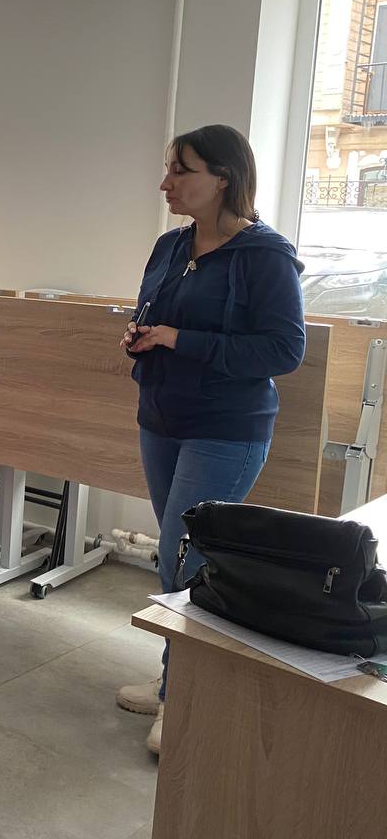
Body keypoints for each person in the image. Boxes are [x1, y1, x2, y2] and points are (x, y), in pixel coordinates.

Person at [117, 124, 305, 756]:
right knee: (177, 562)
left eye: (181, 171)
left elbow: (284, 350)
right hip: (161, 419)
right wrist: (142, 336)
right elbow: (153, 314)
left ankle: (188, 700)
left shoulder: (264, 255)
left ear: (222, 178)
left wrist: (179, 339)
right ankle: (174, 683)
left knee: (186, 560)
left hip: (225, 429)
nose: (165, 183)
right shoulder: (170, 246)